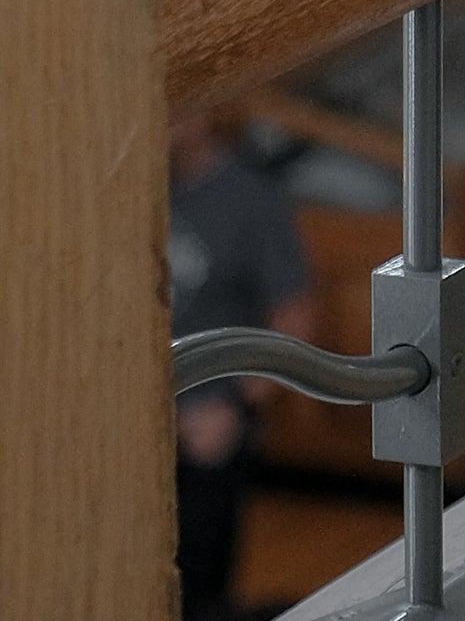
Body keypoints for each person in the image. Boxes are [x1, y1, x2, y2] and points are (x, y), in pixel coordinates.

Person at [167, 110, 315, 621]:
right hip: (134, 419)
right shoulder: (131, 193)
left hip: (212, 416)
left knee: (199, 588)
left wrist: (233, 403)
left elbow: (293, 321)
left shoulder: (252, 199)